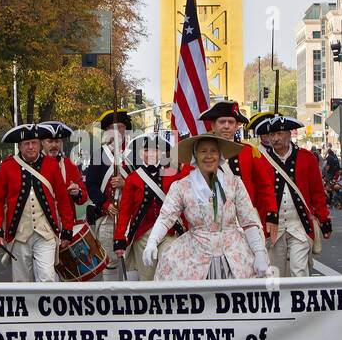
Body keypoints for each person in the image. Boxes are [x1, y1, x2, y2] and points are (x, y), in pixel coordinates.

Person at [142, 133, 268, 280]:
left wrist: (259, 252)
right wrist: (152, 241)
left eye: (213, 151)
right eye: (203, 151)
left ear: (220, 155)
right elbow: (166, 217)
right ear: (195, 156)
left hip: (234, 252)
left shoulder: (234, 183)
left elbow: (248, 222)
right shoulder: (182, 186)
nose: (209, 156)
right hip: (195, 253)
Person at [251, 112, 330, 278]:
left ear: (289, 135)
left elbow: (317, 192)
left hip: (299, 225)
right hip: (273, 227)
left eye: (279, 134)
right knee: (276, 274)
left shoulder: (307, 157)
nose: (275, 138)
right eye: (272, 134)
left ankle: (300, 304)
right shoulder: (260, 159)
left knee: (299, 271)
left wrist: (324, 220)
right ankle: (280, 304)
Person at [0, 123, 73, 282]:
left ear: (40, 144)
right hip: (19, 234)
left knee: (47, 277)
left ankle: (46, 307)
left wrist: (67, 229)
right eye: (26, 144)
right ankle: (27, 308)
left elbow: (62, 200)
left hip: (46, 232)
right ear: (20, 146)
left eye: (34, 143)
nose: (30, 147)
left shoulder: (51, 165)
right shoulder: (7, 167)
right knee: (22, 282)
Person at [197, 101, 278, 238]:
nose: (226, 126)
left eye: (231, 122)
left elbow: (264, 187)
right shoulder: (198, 152)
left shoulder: (248, 151)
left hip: (245, 221)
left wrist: (271, 215)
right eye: (222, 122)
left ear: (236, 126)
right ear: (213, 126)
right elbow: (187, 189)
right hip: (210, 221)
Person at [113, 134, 186, 280]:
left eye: (155, 150)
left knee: (170, 268)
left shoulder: (173, 176)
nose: (151, 154)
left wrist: (189, 230)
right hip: (142, 235)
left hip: (169, 232)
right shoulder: (133, 178)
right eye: (146, 150)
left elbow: (183, 206)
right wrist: (119, 238)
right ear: (140, 153)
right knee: (147, 276)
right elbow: (125, 211)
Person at [84, 111, 134, 275]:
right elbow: (91, 185)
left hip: (132, 215)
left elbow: (144, 184)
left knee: (131, 261)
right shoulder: (99, 154)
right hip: (108, 215)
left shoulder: (136, 153)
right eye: (112, 128)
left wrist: (125, 183)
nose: (117, 131)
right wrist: (106, 205)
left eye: (120, 127)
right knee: (109, 261)